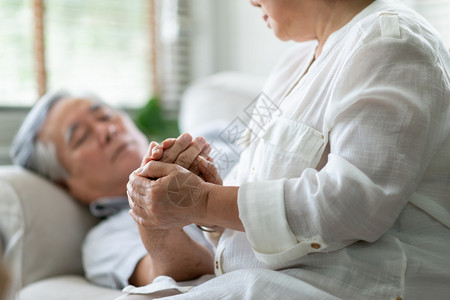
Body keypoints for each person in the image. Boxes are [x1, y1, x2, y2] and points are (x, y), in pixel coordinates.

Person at [127, 0, 450, 299]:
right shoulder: (295, 63)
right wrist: (207, 192)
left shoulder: (391, 43)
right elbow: (250, 199)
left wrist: (204, 201)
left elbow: (351, 204)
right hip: (267, 284)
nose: (251, 1)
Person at [10, 91, 219, 289]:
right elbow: (178, 273)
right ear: (65, 184)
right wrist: (155, 217)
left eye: (105, 116)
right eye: (82, 137)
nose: (106, 130)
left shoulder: (210, 136)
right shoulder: (105, 241)